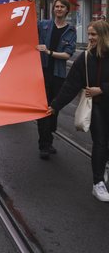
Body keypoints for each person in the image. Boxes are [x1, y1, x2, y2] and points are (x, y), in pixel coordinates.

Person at [48, 20, 109, 201]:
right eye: (89, 34)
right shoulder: (85, 58)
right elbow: (70, 86)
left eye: (93, 34)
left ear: (104, 36)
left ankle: (105, 166)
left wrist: (103, 89)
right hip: (97, 106)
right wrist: (55, 106)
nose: (90, 38)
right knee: (100, 142)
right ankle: (97, 183)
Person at [36, 0, 76, 159]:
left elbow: (67, 55)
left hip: (58, 75)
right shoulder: (43, 25)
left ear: (67, 10)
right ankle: (44, 145)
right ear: (53, 9)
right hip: (42, 73)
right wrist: (30, 4)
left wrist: (49, 52)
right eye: (56, 6)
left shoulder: (71, 31)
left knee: (54, 108)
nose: (58, 9)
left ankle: (48, 136)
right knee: (43, 109)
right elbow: (26, 25)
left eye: (62, 7)